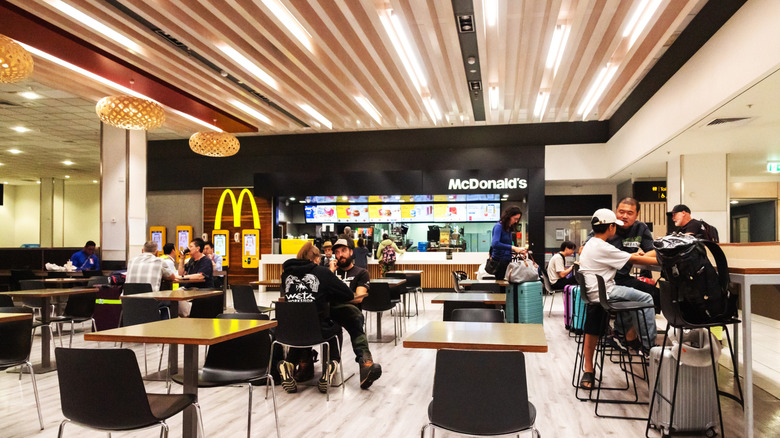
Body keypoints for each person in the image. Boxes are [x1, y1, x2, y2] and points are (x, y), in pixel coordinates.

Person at [578, 208, 658, 390]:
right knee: (646, 297)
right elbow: (639, 260)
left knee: (631, 295)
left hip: (594, 294)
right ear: (611, 227)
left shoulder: (592, 244)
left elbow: (628, 257)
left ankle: (626, 335)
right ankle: (649, 349)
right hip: (606, 293)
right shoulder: (604, 247)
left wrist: (635, 256)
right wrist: (663, 258)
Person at [279, 242, 355, 394]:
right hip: (318, 331)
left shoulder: (286, 274)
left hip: (288, 332)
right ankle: (331, 364)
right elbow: (348, 294)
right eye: (319, 258)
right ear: (315, 258)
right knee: (335, 328)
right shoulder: (322, 272)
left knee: (300, 324)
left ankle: (289, 364)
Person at [331, 239, 382, 389]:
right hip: (329, 311)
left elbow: (358, 297)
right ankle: (307, 364)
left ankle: (366, 364)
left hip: (349, 312)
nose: (340, 255)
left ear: (351, 252)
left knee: (354, 318)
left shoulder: (361, 273)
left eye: (344, 251)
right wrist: (330, 273)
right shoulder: (329, 272)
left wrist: (335, 295)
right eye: (337, 252)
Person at [491, 206, 526, 280]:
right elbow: (495, 244)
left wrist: (518, 250)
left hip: (507, 260)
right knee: (502, 286)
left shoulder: (508, 229)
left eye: (518, 219)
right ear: (509, 217)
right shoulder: (498, 227)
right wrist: (513, 248)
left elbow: (506, 246)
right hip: (499, 262)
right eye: (515, 219)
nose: (516, 221)